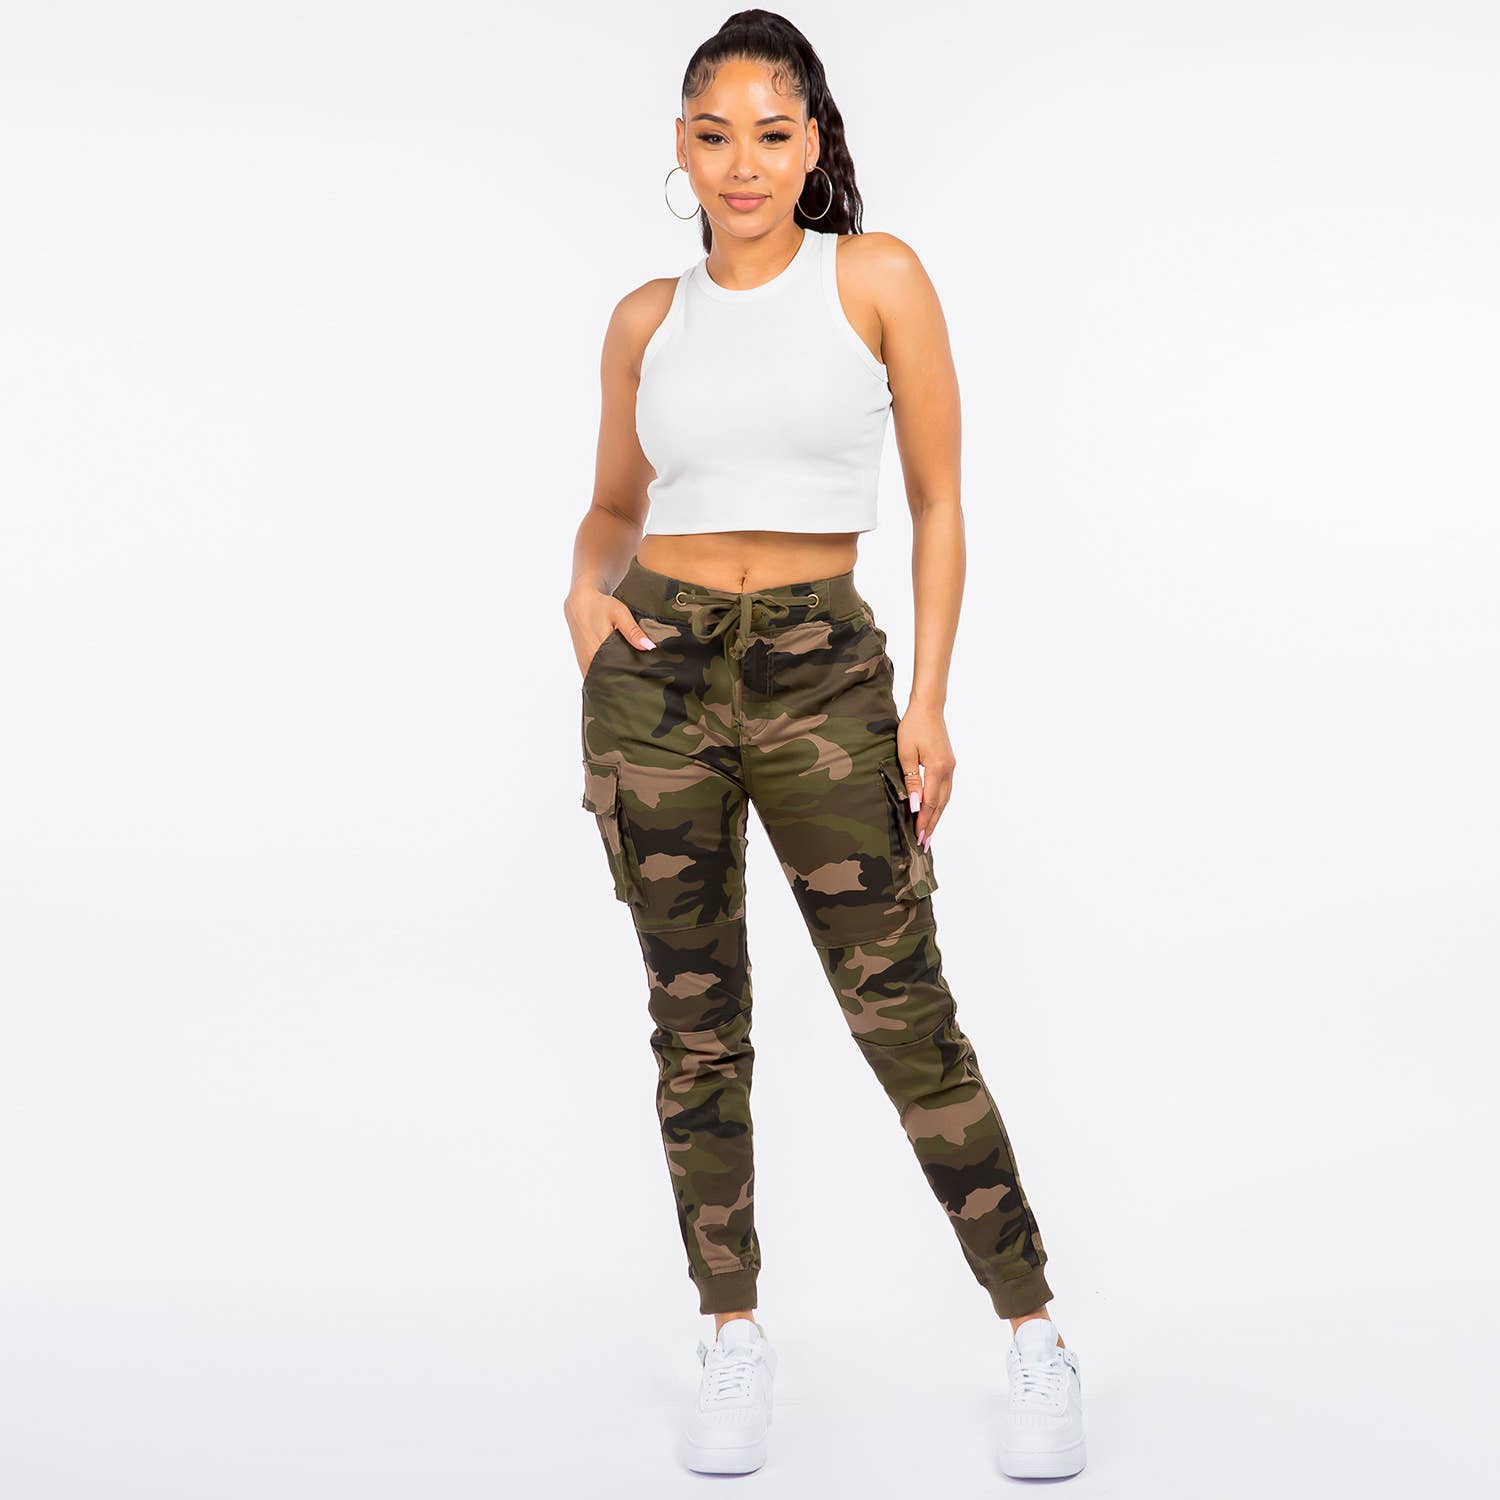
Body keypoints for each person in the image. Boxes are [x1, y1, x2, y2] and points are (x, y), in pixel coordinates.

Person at [564, 11, 1086, 1481]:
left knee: (902, 1011)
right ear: (680, 149)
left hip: (822, 679)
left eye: (771, 134)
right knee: (695, 1025)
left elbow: (937, 501)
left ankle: (1034, 1333)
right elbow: (613, 506)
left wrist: (927, 702)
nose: (742, 163)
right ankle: (731, 1334)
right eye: (713, 135)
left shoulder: (875, 276)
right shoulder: (644, 320)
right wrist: (583, 598)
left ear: (812, 144)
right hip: (656, 676)